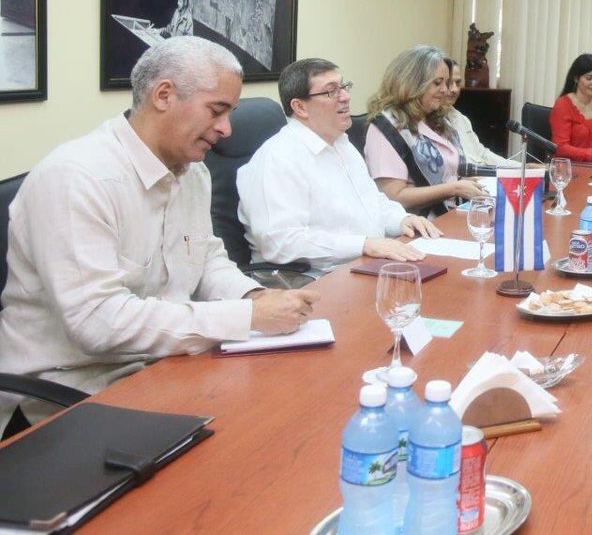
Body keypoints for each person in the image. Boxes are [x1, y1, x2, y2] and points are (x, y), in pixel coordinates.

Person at [0, 37, 318, 437]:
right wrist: (247, 317)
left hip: (160, 367)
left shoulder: (192, 172)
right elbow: (97, 322)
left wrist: (254, 296)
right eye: (217, 110)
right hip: (67, 398)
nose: (226, 129)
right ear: (164, 95)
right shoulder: (76, 179)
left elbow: (206, 259)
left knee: (281, 415)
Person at [237, 58, 440, 275]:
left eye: (344, 86)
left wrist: (402, 220)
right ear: (300, 107)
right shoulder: (278, 158)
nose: (345, 96)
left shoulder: (341, 144)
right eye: (331, 91)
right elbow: (280, 242)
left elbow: (372, 203)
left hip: (366, 265)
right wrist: (363, 244)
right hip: (313, 279)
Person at [364, 45, 488, 218]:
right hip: (416, 226)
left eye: (446, 82)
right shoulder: (386, 127)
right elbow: (394, 196)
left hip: (453, 216)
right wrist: (454, 188)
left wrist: (464, 183)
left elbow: (448, 174)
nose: (445, 90)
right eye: (437, 83)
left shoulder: (439, 117)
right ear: (412, 83)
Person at [442, 57, 517, 168]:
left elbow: (481, 154)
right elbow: (461, 161)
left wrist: (521, 167)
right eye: (448, 83)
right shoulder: (428, 123)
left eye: (457, 83)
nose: (455, 89)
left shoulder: (461, 119)